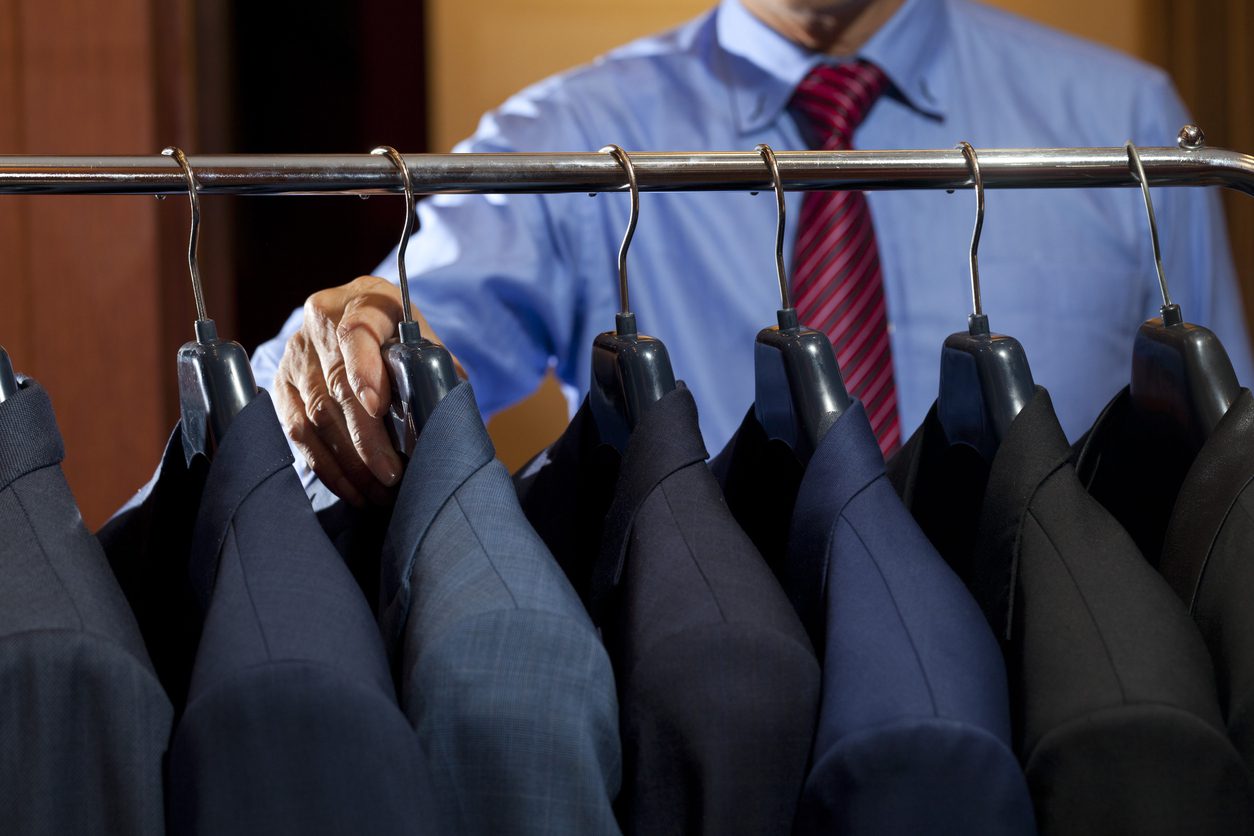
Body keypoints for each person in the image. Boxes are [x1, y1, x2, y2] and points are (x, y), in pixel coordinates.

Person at [252, 0, 1253, 507]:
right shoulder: (565, 136)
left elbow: (1229, 476)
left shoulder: (1124, 122)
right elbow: (404, 331)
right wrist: (358, 338)